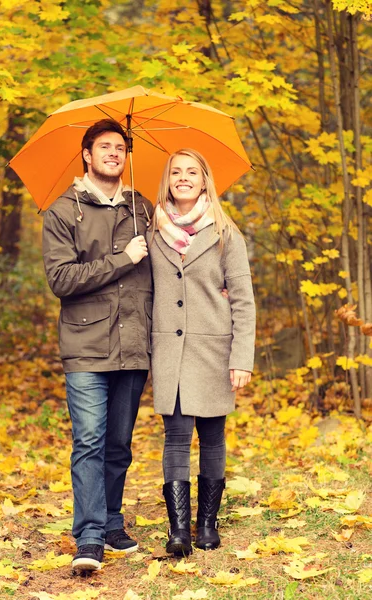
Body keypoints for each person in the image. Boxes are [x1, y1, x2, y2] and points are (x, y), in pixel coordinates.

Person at [42, 119, 153, 572]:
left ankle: (110, 522)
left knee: (119, 443)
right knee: (89, 440)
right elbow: (61, 279)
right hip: (86, 343)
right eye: (104, 146)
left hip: (134, 341)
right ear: (86, 154)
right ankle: (88, 536)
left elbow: (166, 270)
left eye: (120, 147)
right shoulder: (63, 211)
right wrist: (122, 260)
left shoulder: (142, 208)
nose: (114, 152)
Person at [149, 149, 256, 556]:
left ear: (205, 180)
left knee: (212, 437)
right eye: (176, 172)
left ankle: (207, 524)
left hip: (213, 348)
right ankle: (178, 531)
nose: (183, 178)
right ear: (167, 180)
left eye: (192, 171)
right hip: (170, 350)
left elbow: (243, 299)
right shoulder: (152, 231)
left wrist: (241, 357)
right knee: (175, 437)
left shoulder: (227, 233)